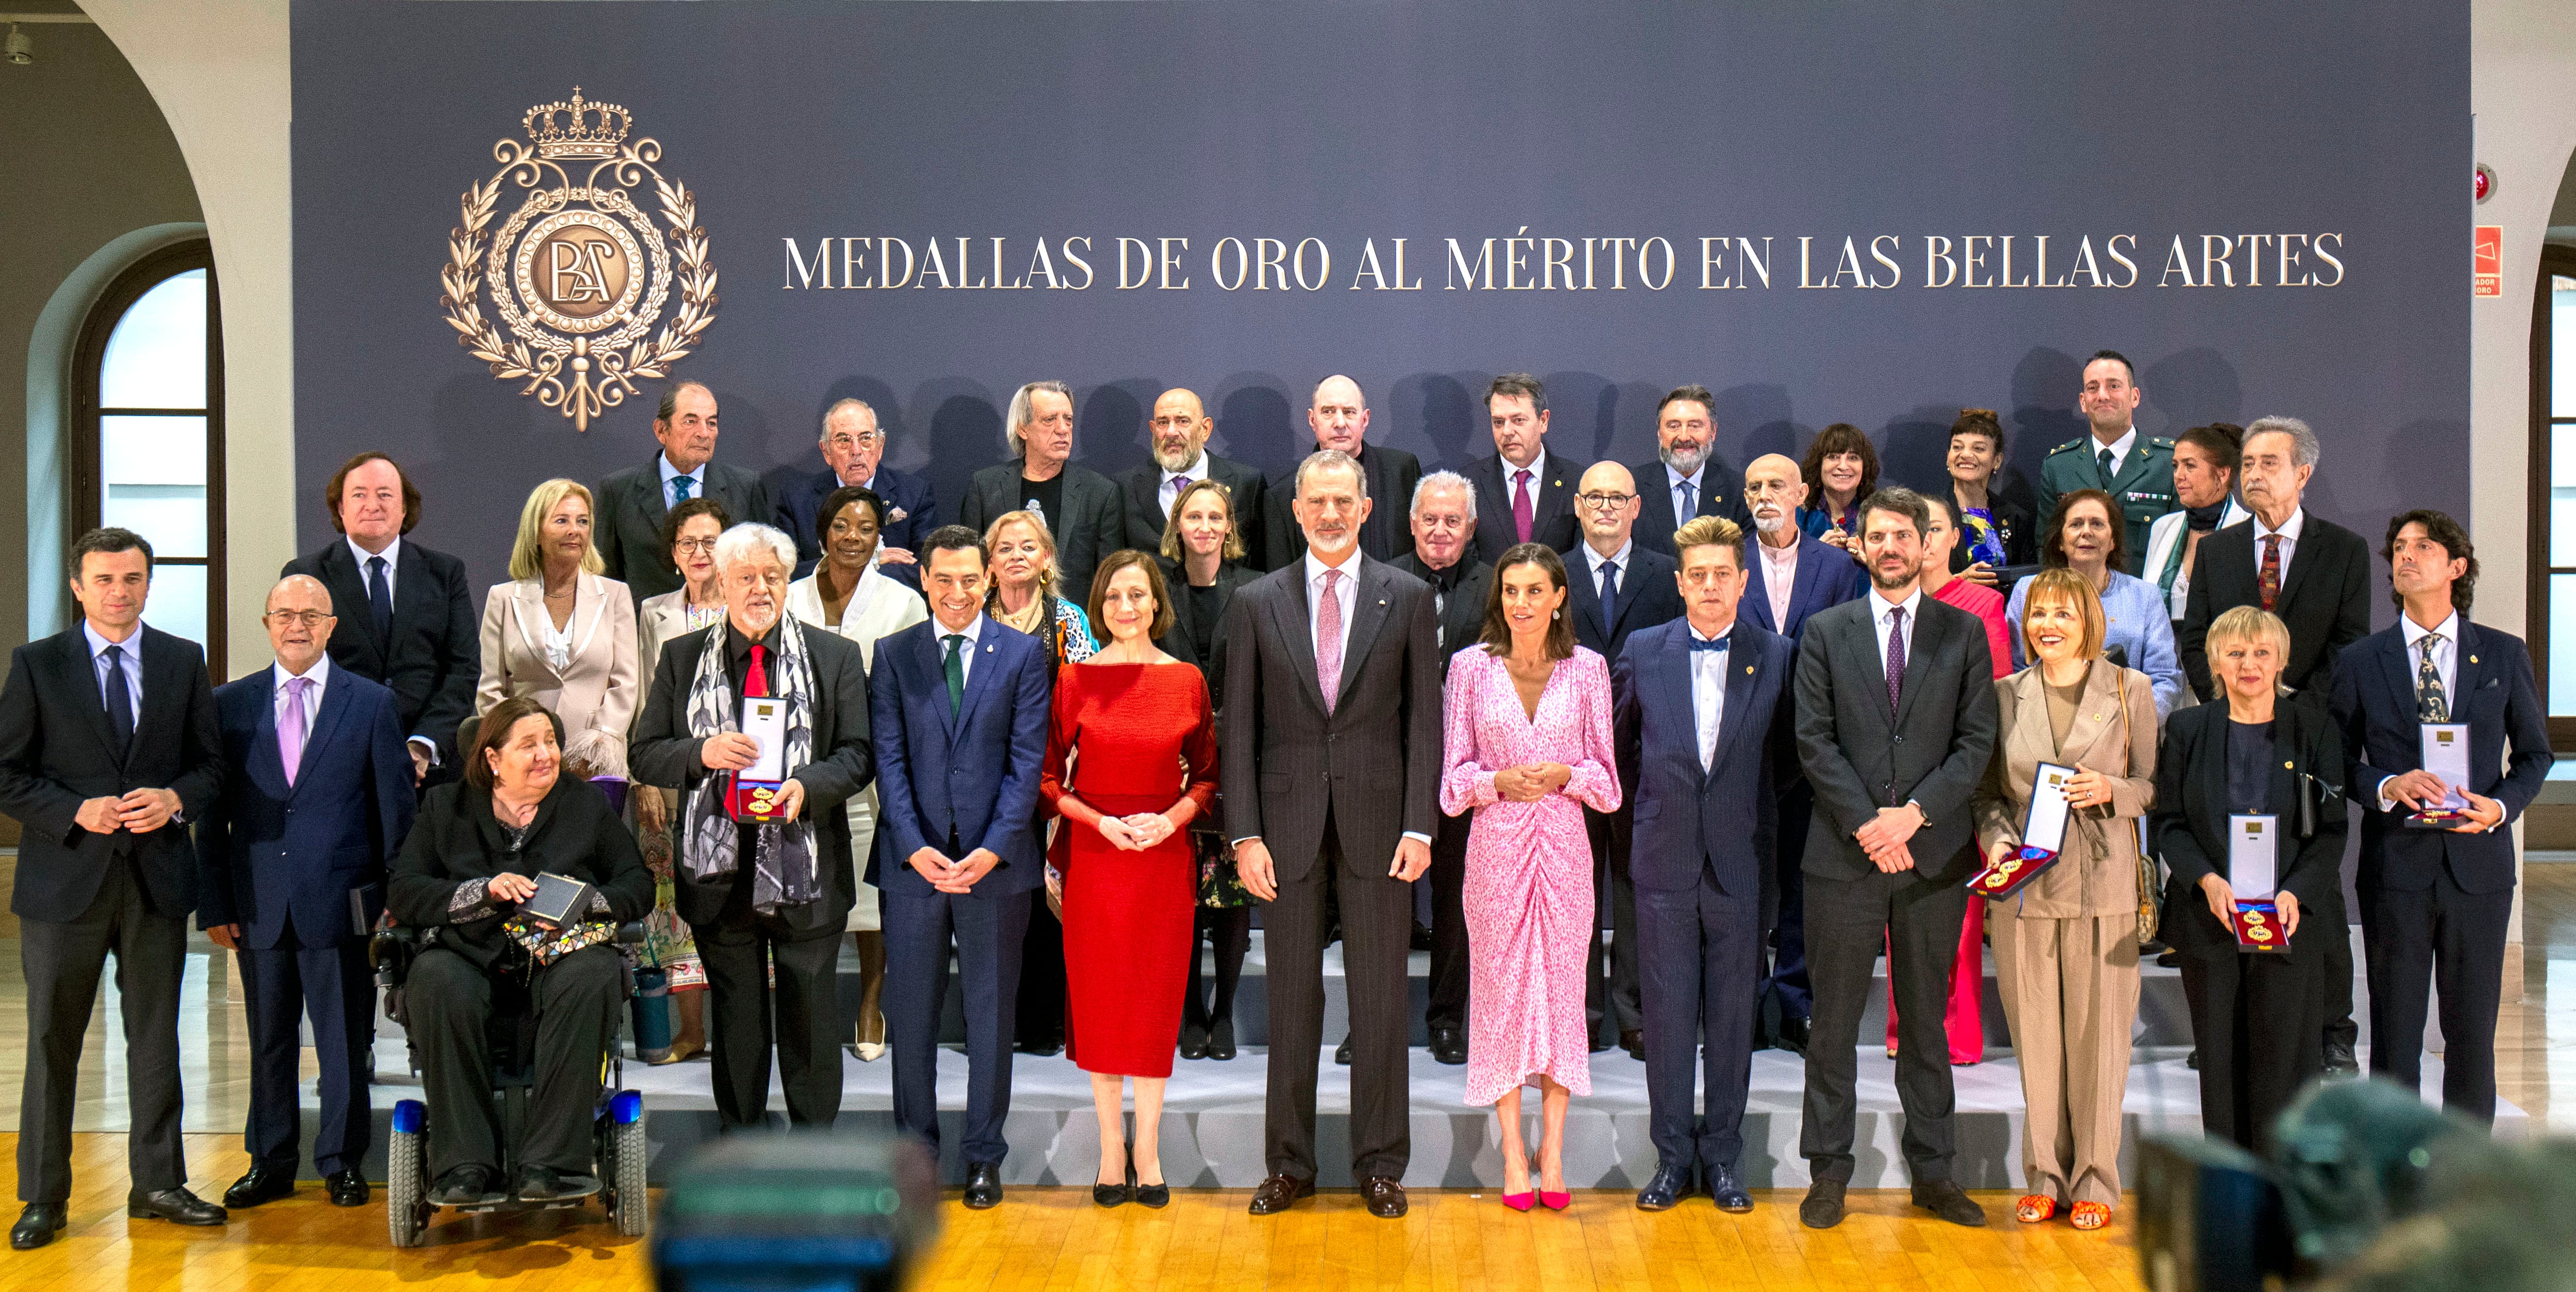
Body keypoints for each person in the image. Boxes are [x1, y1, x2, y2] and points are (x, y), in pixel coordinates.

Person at [1226, 450, 1442, 1220]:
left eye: (1341, 500)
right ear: (1294, 509)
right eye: (1314, 501)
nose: (1328, 513)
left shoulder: (1408, 597)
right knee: (1291, 1004)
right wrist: (1243, 836)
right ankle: (1289, 1166)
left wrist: (1421, 823)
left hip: (1382, 828)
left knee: (1381, 1004)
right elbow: (1239, 731)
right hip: (1282, 832)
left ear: (1364, 504)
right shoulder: (1256, 602)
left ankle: (1381, 1165)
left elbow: (1425, 722)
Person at [0, 528, 226, 1247]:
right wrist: (73, 809)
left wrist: (175, 799)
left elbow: (212, 769)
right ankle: (43, 1197)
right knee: (50, 1042)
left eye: (132, 578)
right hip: (64, 882)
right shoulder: (37, 666)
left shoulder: (182, 660)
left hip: (156, 879)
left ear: (149, 583)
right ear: (78, 586)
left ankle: (158, 1184)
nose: (119, 592)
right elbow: (6, 774)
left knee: (158, 1041)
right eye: (104, 579)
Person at [1790, 486, 1997, 1231]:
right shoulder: (1825, 631)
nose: (1890, 547)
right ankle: (1829, 1172)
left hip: (1932, 854)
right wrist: (1868, 826)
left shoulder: (1963, 632)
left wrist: (1911, 818)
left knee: (1925, 1023)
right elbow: (1813, 740)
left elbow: (1976, 744)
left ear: (1926, 544)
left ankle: (1935, 1173)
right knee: (1834, 1022)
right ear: (1863, 546)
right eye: (1876, 536)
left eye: (1903, 535)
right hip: (1844, 857)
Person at [630, 522, 877, 1133]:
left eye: (772, 576)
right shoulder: (682, 657)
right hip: (720, 877)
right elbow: (645, 753)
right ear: (721, 581)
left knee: (812, 1024)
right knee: (738, 1026)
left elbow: (857, 753)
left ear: (787, 583)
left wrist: (806, 788)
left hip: (808, 869)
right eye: (745, 577)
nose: (760, 588)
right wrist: (700, 754)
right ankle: (740, 1150)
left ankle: (813, 1152)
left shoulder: (833, 655)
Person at [198, 575, 415, 1212]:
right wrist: (216, 902)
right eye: (285, 615)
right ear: (267, 623)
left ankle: (342, 1161)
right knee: (268, 1040)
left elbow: (395, 813)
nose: (298, 625)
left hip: (344, 902)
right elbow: (213, 818)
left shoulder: (370, 703)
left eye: (311, 615)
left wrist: (393, 900)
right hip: (257, 903)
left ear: (331, 627)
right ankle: (270, 1161)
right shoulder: (228, 705)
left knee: (344, 1039)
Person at [385, 697, 655, 1205]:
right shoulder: (445, 807)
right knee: (436, 979)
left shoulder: (584, 805)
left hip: (561, 954)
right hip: (469, 952)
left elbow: (636, 886)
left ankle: (549, 1163)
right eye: (528, 745)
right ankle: (465, 1164)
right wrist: (481, 893)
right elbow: (404, 893)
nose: (545, 754)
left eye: (550, 742)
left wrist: (582, 901)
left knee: (593, 973)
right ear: (492, 759)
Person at [2331, 511, 2549, 1122]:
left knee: (2471, 1038)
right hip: (2394, 867)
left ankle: (2464, 1182)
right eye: (2397, 548)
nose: (2404, 556)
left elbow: (2535, 754)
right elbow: (2335, 758)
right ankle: (2393, 1178)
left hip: (2478, 869)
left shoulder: (2503, 654)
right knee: (2395, 1040)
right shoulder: (2360, 660)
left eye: (2421, 547)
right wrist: (2385, 784)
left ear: (2455, 566)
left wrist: (2500, 807)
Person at [2177, 416, 2371, 1072]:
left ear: (2302, 473)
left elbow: (2347, 646)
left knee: (2311, 881)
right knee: (2232, 871)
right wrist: (2233, 708)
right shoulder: (2220, 549)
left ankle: (2331, 1031)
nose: (2254, 473)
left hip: (2309, 740)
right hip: (2228, 738)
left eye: (2268, 463)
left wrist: (2290, 716)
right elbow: (2195, 637)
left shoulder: (2341, 549)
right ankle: (2228, 1030)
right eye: (2249, 463)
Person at [870, 525, 1056, 1210]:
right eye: (943, 580)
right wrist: (914, 843)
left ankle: (984, 1157)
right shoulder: (894, 655)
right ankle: (915, 1160)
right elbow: (888, 759)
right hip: (912, 865)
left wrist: (994, 846)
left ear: (989, 581)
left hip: (995, 869)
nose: (956, 593)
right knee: (912, 1019)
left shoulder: (1023, 655)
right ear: (925, 580)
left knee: (989, 1017)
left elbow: (1026, 762)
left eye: (968, 581)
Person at [1616, 516, 1794, 1214]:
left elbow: (1785, 763)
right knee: (1664, 1021)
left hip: (1742, 862)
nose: (1712, 586)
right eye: (1699, 575)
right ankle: (1670, 1160)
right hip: (1663, 863)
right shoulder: (1643, 649)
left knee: (1730, 1023)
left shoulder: (1777, 654)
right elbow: (1623, 750)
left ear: (1743, 580)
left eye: (1725, 574)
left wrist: (1731, 812)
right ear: (1680, 581)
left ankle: (1722, 1159)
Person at [1972, 569, 2159, 1231]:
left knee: (2099, 1042)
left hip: (2101, 888)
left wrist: (2110, 790)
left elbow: (2150, 787)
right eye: (2037, 614)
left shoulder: (2128, 688)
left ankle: (2095, 1180)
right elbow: (1987, 795)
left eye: (2062, 613)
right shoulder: (2003, 694)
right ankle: (2044, 1176)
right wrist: (1996, 844)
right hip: (2023, 892)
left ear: (2089, 620)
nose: (2047, 625)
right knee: (2039, 1046)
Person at [1439, 543, 1620, 1211]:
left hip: (1568, 857)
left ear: (1559, 596)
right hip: (1495, 855)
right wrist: (1497, 782)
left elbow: (1607, 785)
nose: (1521, 603)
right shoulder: (1468, 670)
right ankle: (1514, 1152)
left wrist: (1568, 775)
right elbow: (1452, 784)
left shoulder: (1589, 670)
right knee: (1503, 999)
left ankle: (1554, 1153)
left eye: (1534, 590)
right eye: (1510, 591)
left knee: (1561, 999)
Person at [1042, 551, 1219, 1208]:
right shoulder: (1074, 680)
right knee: (1100, 1002)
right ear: (1100, 604)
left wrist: (1170, 821)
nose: (1125, 606)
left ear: (1155, 605)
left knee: (1149, 1002)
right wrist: (1099, 823)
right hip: (1097, 860)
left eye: (1137, 595)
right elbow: (1047, 779)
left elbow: (1205, 777)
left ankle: (1146, 1147)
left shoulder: (1186, 682)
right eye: (1113, 595)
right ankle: (1108, 1149)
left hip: (1161, 863)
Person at [2153, 606, 2347, 1151]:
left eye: (2261, 652)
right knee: (2218, 1062)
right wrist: (2206, 881)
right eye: (2235, 653)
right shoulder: (2188, 729)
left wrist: (2294, 892)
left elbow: (2330, 832)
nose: (2248, 664)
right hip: (2210, 919)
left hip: (2290, 920)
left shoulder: (2313, 729)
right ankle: (2229, 1193)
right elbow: (2169, 823)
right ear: (2214, 660)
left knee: (2284, 1064)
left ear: (2281, 660)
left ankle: (2280, 1193)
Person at [787, 485, 930, 1063]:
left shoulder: (902, 603)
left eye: (866, 528)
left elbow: (916, 692)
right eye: (841, 526)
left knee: (873, 896)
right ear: (822, 532)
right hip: (802, 769)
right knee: (805, 889)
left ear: (880, 538)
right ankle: (809, 1011)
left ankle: (871, 1002)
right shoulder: (790, 596)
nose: (853, 537)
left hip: (875, 766)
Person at [1739, 452, 1867, 1053]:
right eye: (1754, 487)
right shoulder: (1725, 562)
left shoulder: (1837, 566)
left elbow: (1851, 652)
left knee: (1800, 885)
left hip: (1814, 751)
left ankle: (1795, 1005)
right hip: (1740, 751)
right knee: (1740, 888)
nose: (1764, 495)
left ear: (1801, 493)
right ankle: (1740, 1010)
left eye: (1775, 486)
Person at [1882, 491, 2013, 1068]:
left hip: (1956, 776)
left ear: (1953, 538)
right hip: (1891, 781)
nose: (1925, 539)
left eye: (1934, 528)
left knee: (1957, 916)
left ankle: (1957, 1035)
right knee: (1896, 915)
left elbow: (1989, 689)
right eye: (1917, 529)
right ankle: (1900, 1031)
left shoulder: (1978, 604)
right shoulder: (1883, 602)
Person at [1565, 460, 1682, 1058]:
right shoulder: (1551, 574)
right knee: (1575, 890)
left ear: (1637, 507)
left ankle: (1635, 1012)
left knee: (1638, 889)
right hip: (1568, 764)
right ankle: (1581, 1012)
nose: (1606, 508)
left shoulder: (1667, 576)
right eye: (1594, 498)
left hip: (1646, 759)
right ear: (1578, 508)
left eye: (1617, 498)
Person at [281, 451, 479, 787]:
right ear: (341, 509)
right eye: (359, 495)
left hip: (432, 770)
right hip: (339, 766)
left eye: (385, 495)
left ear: (405, 509)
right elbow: (301, 671)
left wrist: (421, 745)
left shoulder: (446, 573)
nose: (372, 505)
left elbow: (463, 670)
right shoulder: (305, 575)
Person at [980, 509, 1097, 1056]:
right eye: (1004, 548)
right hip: (985, 782)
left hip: (1052, 779)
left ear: (1046, 558)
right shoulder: (974, 615)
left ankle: (1045, 1024)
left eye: (1027, 546)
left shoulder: (1067, 619)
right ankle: (995, 1023)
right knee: (997, 904)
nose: (1016, 556)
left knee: (1047, 905)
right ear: (990, 562)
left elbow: (1090, 697)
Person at [1388, 472, 1494, 1066]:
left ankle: (1447, 1019)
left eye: (1453, 520)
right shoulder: (1380, 579)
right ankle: (1375, 1023)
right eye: (1429, 518)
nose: (1440, 530)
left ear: (1471, 526)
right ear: (1411, 522)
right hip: (1390, 765)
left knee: (1454, 901)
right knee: (1383, 902)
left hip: (1465, 767)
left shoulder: (1492, 589)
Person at [1155, 479, 1262, 1062]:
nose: (1203, 525)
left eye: (1214, 516)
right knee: (1181, 896)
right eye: (1192, 515)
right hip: (1167, 760)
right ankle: (1189, 1009)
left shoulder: (1253, 588)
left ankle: (1223, 1011)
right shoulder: (1156, 589)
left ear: (1228, 528)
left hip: (1236, 756)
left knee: (1231, 892)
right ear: (1177, 526)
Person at [633, 496, 731, 1064]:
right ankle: (691, 1031)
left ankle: (742, 1031)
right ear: (673, 554)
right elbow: (646, 698)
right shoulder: (654, 613)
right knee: (673, 910)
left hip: (738, 782)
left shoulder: (749, 606)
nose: (699, 552)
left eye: (710, 541)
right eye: (688, 543)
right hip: (671, 779)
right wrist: (643, 777)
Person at [476, 479, 640, 781]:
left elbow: (626, 684)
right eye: (561, 520)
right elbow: (490, 691)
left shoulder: (616, 595)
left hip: (594, 764)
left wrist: (594, 748)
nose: (574, 530)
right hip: (524, 765)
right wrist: (518, 747)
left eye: (583, 521)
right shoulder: (502, 598)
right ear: (537, 532)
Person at [2006, 488, 2190, 720]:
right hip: (2044, 724)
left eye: (2097, 524)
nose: (2086, 532)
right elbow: (2015, 668)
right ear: (2060, 541)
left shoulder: (2145, 597)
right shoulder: (2028, 590)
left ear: (2113, 541)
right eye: (2075, 524)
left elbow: (2165, 679)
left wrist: (2128, 725)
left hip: (2125, 730)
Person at [596, 380, 771, 605]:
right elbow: (606, 577)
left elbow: (762, 566)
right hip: (647, 629)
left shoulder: (746, 487)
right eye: (691, 421)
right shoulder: (618, 490)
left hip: (724, 626)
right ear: (661, 430)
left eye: (712, 423)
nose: (704, 433)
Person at [958, 380, 1125, 605]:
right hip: (999, 626)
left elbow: (1110, 580)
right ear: (1023, 428)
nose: (1063, 429)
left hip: (1071, 627)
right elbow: (969, 565)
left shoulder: (1100, 493)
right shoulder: (985, 487)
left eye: (1068, 419)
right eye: (1050, 420)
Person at [2034, 351, 2177, 573]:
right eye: (2093, 388)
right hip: (2076, 601)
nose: (2103, 396)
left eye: (2114, 386)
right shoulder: (2059, 467)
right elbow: (2048, 549)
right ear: (2083, 402)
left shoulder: (2169, 463)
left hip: (2145, 601)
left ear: (2135, 397)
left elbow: (2180, 550)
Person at [772, 397, 938, 583]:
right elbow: (785, 573)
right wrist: (868, 562)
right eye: (844, 440)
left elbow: (927, 571)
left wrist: (840, 572)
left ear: (880, 446)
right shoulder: (797, 501)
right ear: (826, 451)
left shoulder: (914, 494)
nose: (856, 450)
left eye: (866, 438)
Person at [1266, 375, 1423, 565]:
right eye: (1328, 412)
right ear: (1312, 419)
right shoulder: (1282, 496)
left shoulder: (1402, 471)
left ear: (1365, 419)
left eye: (1349, 412)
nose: (1340, 423)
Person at [1120, 386, 1270, 571]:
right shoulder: (1125, 487)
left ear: (1205, 429)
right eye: (1163, 423)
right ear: (1153, 429)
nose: (1171, 432)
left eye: (1183, 421)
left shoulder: (1246, 484)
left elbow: (1258, 565)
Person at [1465, 373, 1587, 565]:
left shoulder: (1577, 481)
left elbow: (1581, 560)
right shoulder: (1469, 483)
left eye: (1518, 420)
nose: (1507, 431)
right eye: (1498, 422)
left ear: (1543, 421)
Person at [2141, 422, 2249, 631]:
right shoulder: (2162, 528)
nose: (2179, 475)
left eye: (2190, 466)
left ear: (2222, 474)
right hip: (2161, 658)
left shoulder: (2249, 531)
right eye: (2176, 466)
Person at [1631, 384, 1751, 558]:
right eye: (1674, 426)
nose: (1684, 437)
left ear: (1713, 432)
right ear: (1659, 433)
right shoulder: (1633, 487)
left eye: (1695, 426)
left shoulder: (1738, 491)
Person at [1943, 409, 2032, 587]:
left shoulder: (2017, 519)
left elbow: (2027, 582)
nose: (1966, 455)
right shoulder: (1929, 515)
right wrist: (1959, 582)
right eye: (1957, 447)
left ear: (1997, 461)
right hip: (1950, 612)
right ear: (1948, 457)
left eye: (1978, 449)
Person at [1797, 422, 1878, 549]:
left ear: (1865, 468)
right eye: (1833, 457)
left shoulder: (1880, 516)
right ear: (1819, 466)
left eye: (1853, 458)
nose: (1843, 466)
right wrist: (1818, 552)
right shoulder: (1798, 516)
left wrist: (1870, 560)